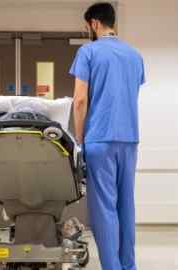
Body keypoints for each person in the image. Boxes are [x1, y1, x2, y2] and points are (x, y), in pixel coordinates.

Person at [69, 2, 145, 270]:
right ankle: (128, 266)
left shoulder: (88, 52)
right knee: (126, 205)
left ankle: (111, 267)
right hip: (129, 139)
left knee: (104, 209)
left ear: (94, 23)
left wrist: (79, 140)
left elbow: (80, 101)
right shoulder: (135, 55)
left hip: (99, 139)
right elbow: (129, 94)